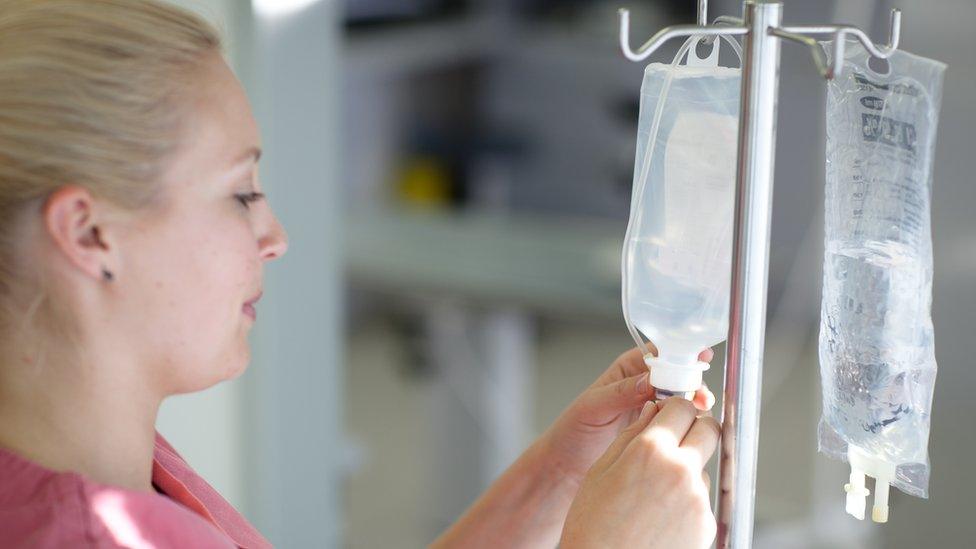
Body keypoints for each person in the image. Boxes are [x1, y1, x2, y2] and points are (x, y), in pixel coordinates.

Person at [0, 1, 721, 547]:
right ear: (90, 234)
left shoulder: (103, 459)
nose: (276, 237)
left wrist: (562, 472)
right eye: (241, 193)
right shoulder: (97, 530)